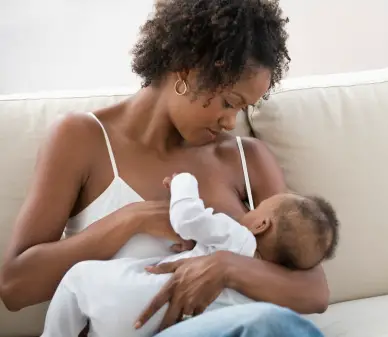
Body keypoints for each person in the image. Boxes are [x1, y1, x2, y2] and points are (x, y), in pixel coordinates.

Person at [0, 0, 331, 336]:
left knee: (273, 325)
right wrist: (132, 220)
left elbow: (315, 292)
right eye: (229, 102)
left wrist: (226, 267)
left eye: (243, 108)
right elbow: (15, 286)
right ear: (187, 69)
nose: (231, 121)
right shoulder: (82, 138)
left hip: (233, 328)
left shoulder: (248, 158)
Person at [41, 172, 339, 337]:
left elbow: (187, 218)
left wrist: (184, 182)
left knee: (79, 277)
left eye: (254, 207)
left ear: (260, 224)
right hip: (168, 326)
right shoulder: (267, 291)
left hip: (128, 300)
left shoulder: (238, 235)